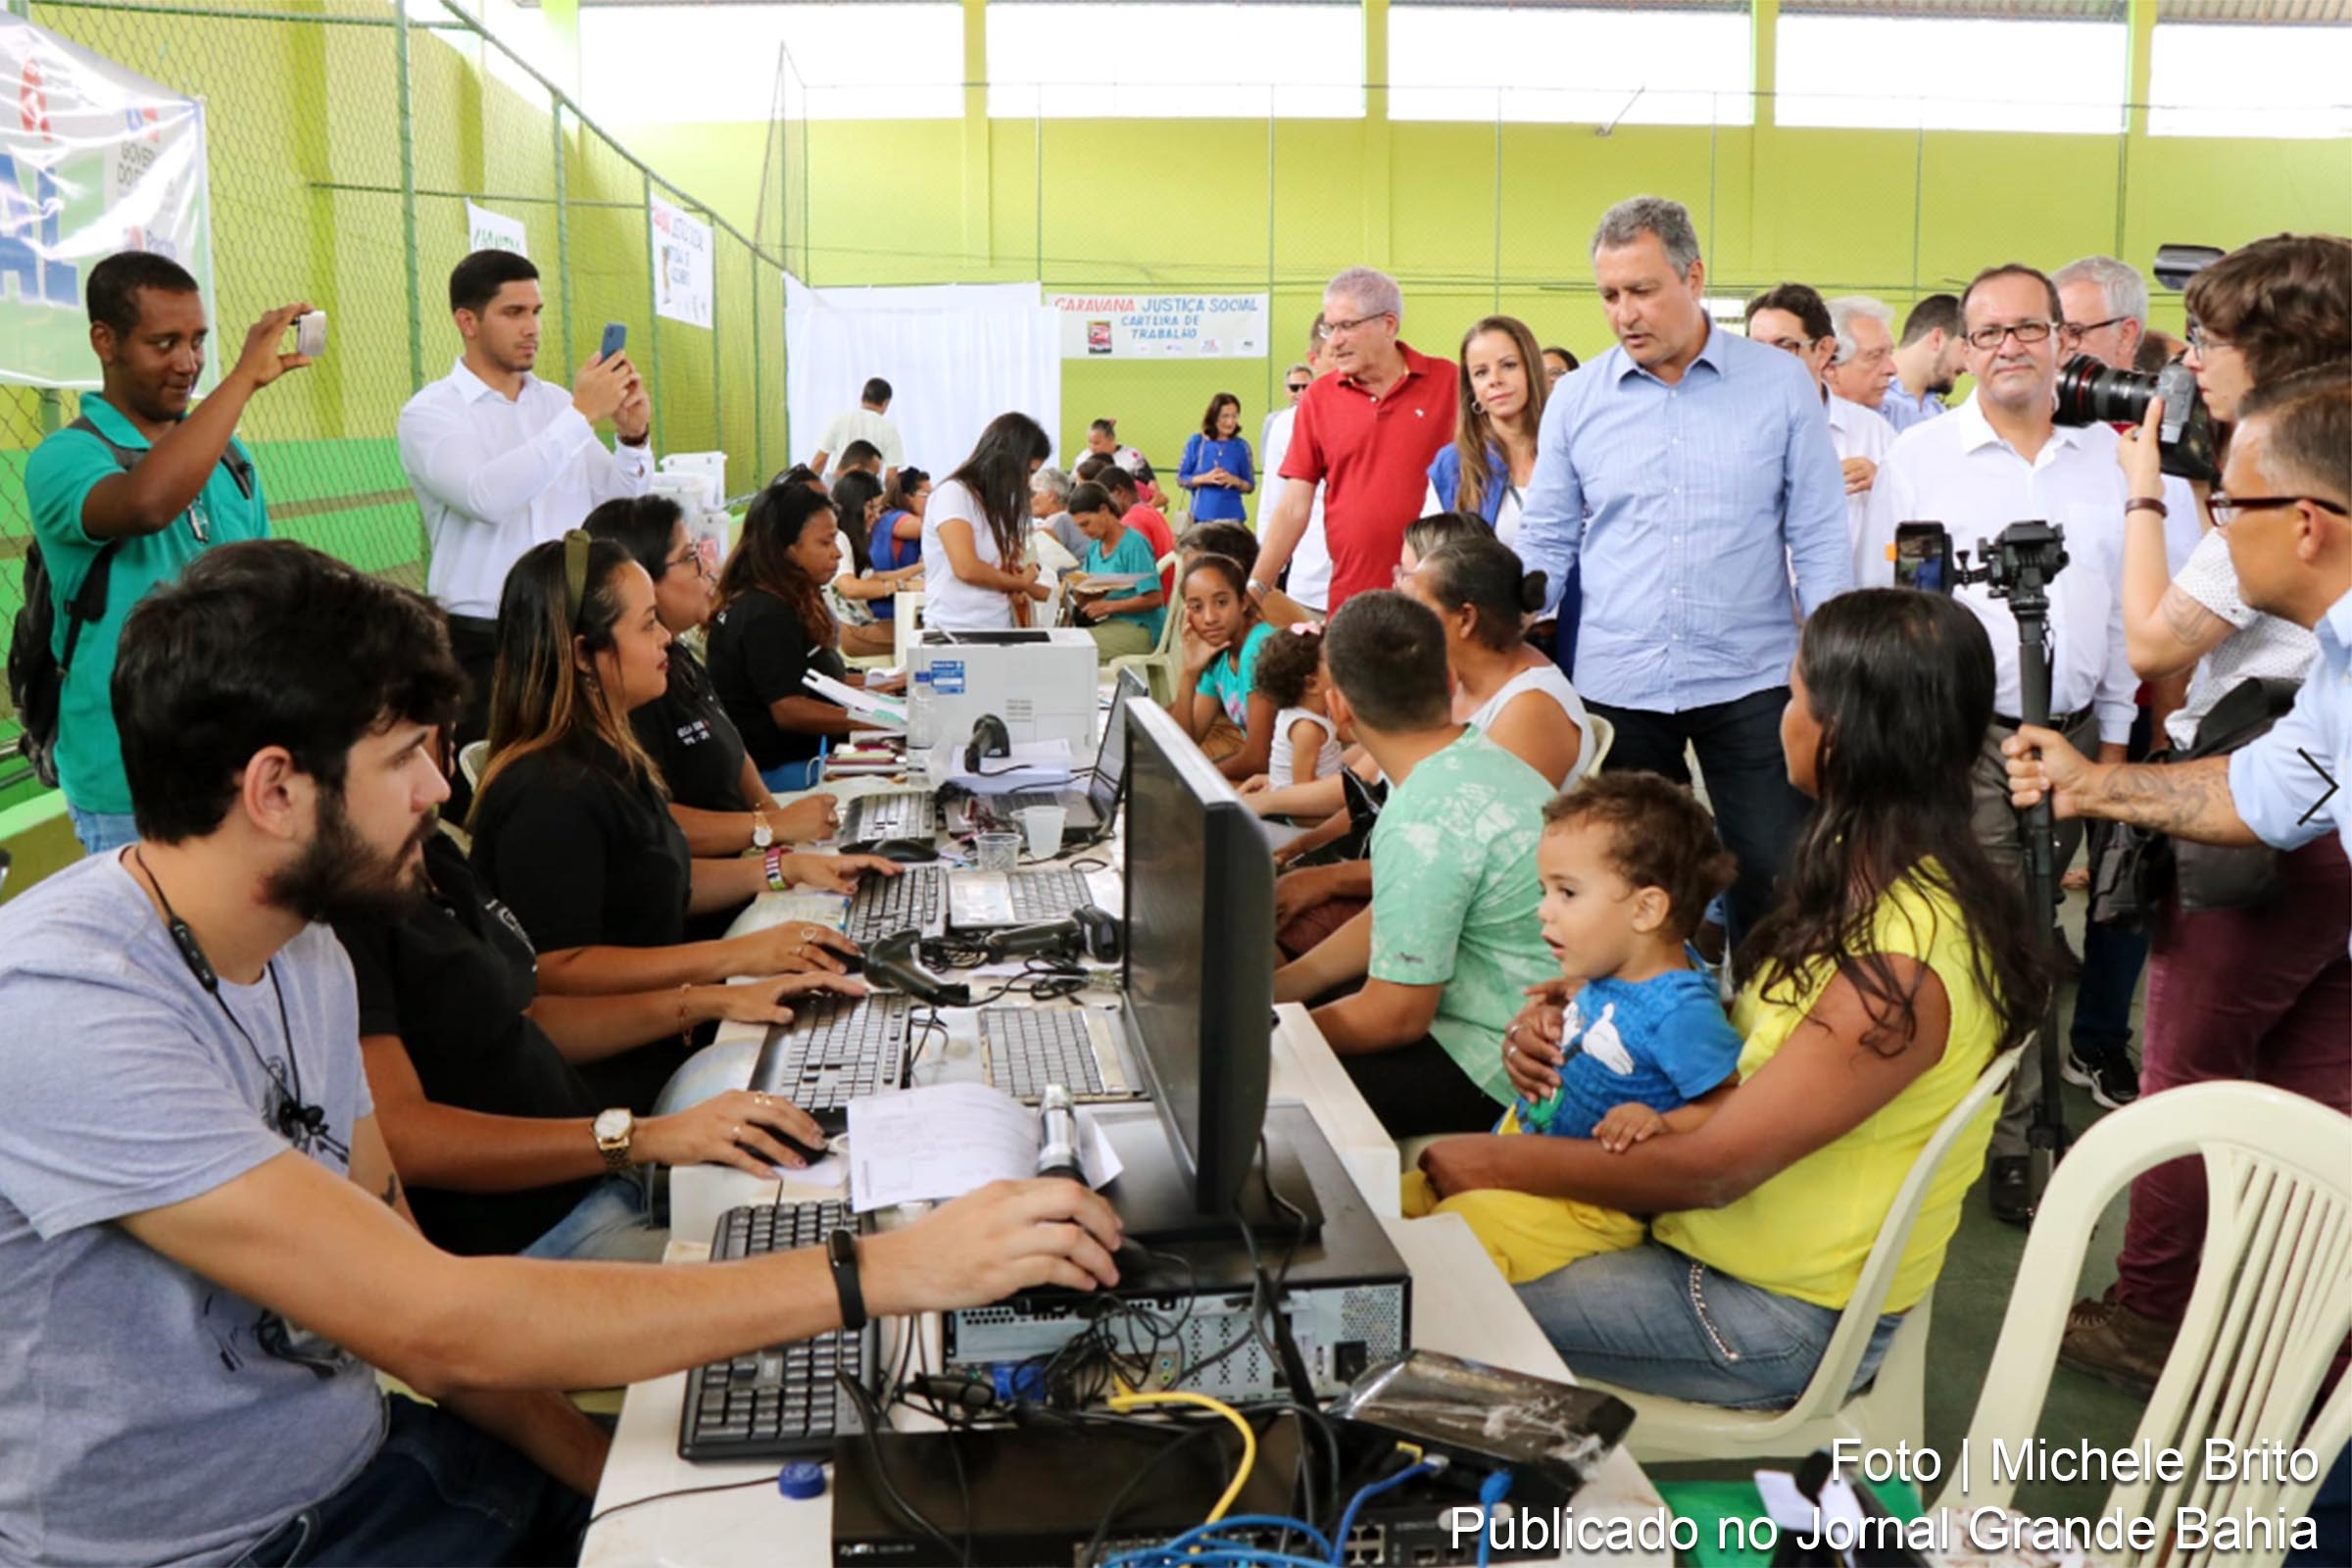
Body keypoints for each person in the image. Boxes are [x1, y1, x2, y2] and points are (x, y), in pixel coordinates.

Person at [0, 540, 1125, 1566]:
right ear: (275, 788)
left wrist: (615, 1495)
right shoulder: (66, 1001)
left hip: (375, 1466)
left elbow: (433, 1335)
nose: (443, 790)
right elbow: (434, 1317)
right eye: (405, 761)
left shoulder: (304, 952)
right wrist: (883, 1270)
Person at [1423, 590, 2052, 1409]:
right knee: (1424, 1251)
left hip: (1762, 1313)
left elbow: (1712, 1170)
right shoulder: (1880, 887)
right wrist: (1593, 1014)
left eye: (1793, 696)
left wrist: (1483, 1159)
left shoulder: (1901, 963)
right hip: (1714, 1253)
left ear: (1839, 736)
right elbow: (1739, 1065)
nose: (1782, 717)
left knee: (1413, 1292)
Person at [2005, 368, 2352, 1394]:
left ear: (2303, 524)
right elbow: (2273, 791)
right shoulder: (2333, 662)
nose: (2216, 529)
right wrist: (2096, 787)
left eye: (2230, 505)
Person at [1861, 263, 2140, 1220]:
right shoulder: (1923, 458)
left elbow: (2117, 612)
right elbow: (1885, 605)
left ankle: (2011, 1131)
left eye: (2031, 327)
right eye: (1991, 332)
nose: (2011, 346)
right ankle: (1986, 1137)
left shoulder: (2110, 459)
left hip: (2067, 736)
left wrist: (2109, 744)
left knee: (2028, 935)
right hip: (1958, 737)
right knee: (1974, 937)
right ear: (1964, 348)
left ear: (2065, 339)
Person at [1518, 196, 1850, 955]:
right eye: (1609, 296)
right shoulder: (1575, 399)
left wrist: (1831, 675)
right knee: (1634, 889)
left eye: (1642, 290)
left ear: (1694, 277)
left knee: (1775, 878)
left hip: (1753, 677)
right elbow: (1547, 538)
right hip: (1619, 681)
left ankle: (1770, 1049)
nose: (1624, 313)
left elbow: (1820, 537)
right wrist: (1504, 628)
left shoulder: (1778, 385)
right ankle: (1656, 1047)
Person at [469, 531, 878, 1113]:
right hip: (609, 1098)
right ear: (584, 654)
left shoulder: (609, 753)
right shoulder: (547, 792)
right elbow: (560, 969)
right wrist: (730, 963)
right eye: (646, 626)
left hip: (662, 1048)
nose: (666, 638)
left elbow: (665, 879)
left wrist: (785, 867)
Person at [335, 811, 858, 1262]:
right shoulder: (342, 918)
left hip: (606, 1177)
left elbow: (526, 1020)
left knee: (855, 1194)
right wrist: (640, 1137)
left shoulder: (433, 852)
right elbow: (399, 1138)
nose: (433, 777)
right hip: (536, 1237)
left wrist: (714, 999)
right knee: (828, 1276)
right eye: (402, 752)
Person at [1400, 773, 1743, 1283]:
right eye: (1546, 891)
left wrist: (1663, 1122)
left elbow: (1729, 1102)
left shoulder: (1681, 1011)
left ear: (1647, 909)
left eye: (1566, 892)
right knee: (1394, 1200)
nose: (1544, 910)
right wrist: (1546, 1019)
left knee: (1449, 1248)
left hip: (1587, 1207)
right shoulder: (1607, 970)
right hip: (1528, 1154)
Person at [24, 251, 308, 856]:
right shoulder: (66, 458)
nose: (188, 363)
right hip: (126, 782)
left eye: (198, 341)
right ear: (105, 341)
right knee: (152, 944)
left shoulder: (227, 455)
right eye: (164, 344)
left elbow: (262, 591)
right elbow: (144, 504)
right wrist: (240, 381)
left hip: (234, 764)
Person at [1274, 592, 1556, 1137]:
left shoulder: (1421, 815)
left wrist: (1277, 1033)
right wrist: (1286, 987)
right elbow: (1404, 917)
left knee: (1267, 1094)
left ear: (1339, 710)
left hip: (1501, 1071)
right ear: (1450, 683)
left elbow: (1396, 1016)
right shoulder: (1482, 760)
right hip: (1512, 1031)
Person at [399, 249, 650, 758]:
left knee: (586, 777)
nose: (531, 327)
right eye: (513, 313)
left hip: (572, 634)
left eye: (535, 311)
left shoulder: (556, 404)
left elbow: (618, 508)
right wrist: (580, 416)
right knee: (499, 784)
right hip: (486, 644)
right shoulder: (430, 414)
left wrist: (632, 437)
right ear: (466, 321)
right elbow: (485, 496)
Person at [584, 494, 841, 854]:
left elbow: (733, 750)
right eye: (690, 557)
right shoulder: (631, 690)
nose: (707, 566)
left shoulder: (676, 658)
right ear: (640, 579)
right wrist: (770, 829)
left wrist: (776, 824)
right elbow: (656, 826)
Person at [1250, 267, 1458, 613]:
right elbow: (1293, 507)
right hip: (1352, 604)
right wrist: (1255, 591)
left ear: (1389, 324)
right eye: (1330, 328)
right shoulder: (1318, 398)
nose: (1335, 340)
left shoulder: (1448, 382)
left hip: (1437, 607)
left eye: (1347, 326)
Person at [708, 485, 902, 793]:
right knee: (892, 783)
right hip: (776, 774)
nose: (837, 552)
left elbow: (819, 680)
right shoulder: (763, 612)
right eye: (825, 542)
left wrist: (886, 688)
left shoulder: (784, 598)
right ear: (786, 548)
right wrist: (875, 719)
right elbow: (790, 710)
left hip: (800, 759)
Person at [1424, 317, 1569, 643]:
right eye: (1481, 372)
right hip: (1493, 644)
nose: (1495, 380)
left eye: (1508, 365)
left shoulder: (1575, 450)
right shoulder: (1452, 466)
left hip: (1581, 637)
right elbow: (1430, 562)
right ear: (1472, 388)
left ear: (1531, 369)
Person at [1745, 283, 1892, 581]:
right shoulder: (1728, 431)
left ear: (1824, 350)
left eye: (1785, 346)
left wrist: (1885, 484)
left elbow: (1916, 518)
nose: (1766, 360)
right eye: (1756, 346)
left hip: (1849, 618)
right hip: (1759, 617)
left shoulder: (1872, 432)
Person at [924, 412, 1054, 631]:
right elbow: (966, 568)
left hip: (996, 626)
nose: (1026, 481)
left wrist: (1018, 573)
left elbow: (998, 566)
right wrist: (1019, 582)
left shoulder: (998, 504)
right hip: (954, 630)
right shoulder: (953, 494)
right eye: (1027, 471)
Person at [1175, 553, 1279, 779]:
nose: (1210, 617)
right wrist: (1189, 672)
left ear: (1243, 602)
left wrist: (1198, 778)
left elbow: (1259, 759)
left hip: (1293, 780)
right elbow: (1185, 745)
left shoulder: (1259, 647)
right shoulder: (1220, 652)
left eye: (1221, 602)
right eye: (1196, 607)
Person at [1260, 318, 1338, 614]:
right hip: (1311, 591)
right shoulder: (1287, 425)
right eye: (1336, 354)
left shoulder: (1383, 415)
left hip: (1378, 588)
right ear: (1314, 360)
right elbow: (1275, 508)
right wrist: (1264, 584)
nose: (1347, 365)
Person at [820, 468, 918, 657]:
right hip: (852, 632)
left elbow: (873, 578)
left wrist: (918, 570)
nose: (877, 515)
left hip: (860, 625)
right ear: (855, 506)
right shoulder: (839, 539)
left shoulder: (852, 539)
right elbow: (850, 588)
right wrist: (902, 585)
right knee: (924, 631)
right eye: (871, 508)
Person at [1066, 479, 1166, 662]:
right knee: (1068, 643)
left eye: (1086, 523)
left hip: (1142, 627)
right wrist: (1079, 596)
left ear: (1104, 510)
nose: (1083, 531)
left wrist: (1109, 606)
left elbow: (1154, 598)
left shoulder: (1133, 544)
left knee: (1076, 650)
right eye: (1078, 526)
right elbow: (1090, 591)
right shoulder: (1094, 548)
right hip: (1113, 623)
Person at [1249, 626, 1344, 790]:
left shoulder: (1317, 712)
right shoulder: (1306, 729)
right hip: (1303, 809)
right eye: (1333, 661)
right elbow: (1303, 790)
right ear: (1311, 684)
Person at [2052, 255, 2149, 377]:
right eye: (2054, 333)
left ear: (2125, 335)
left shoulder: (2163, 396)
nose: (2057, 349)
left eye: (2074, 332)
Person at [1882, 292, 1966, 432]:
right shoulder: (1871, 400)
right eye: (1966, 347)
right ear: (1937, 339)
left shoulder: (1941, 415)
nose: (1969, 365)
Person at [1179, 392, 1255, 524]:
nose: (1230, 422)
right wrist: (1205, 478)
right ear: (1214, 417)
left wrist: (1235, 481)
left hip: (1233, 520)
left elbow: (1250, 485)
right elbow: (1181, 478)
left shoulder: (1241, 447)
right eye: (1225, 416)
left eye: (1234, 416)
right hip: (1201, 519)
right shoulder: (1196, 442)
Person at [808, 375, 903, 481]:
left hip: (838, 488)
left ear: (862, 397)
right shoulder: (889, 429)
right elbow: (891, 475)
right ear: (885, 402)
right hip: (869, 492)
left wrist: (810, 492)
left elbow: (819, 461)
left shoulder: (841, 419)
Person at [1822, 295, 1898, 415]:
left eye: (1890, 354)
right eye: (1875, 356)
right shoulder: (1796, 425)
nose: (1892, 369)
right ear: (1830, 367)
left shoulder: (1909, 422)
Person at [872, 465, 932, 601]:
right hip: (889, 601)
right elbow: (933, 528)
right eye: (927, 495)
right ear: (908, 497)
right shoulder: (893, 518)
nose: (933, 500)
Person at [1028, 463, 1088, 560]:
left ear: (1051, 496)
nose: (1027, 500)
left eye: (1032, 494)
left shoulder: (1059, 519)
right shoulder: (1073, 515)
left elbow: (1032, 561)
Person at [1261, 360, 1313, 466]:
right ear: (1286, 390)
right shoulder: (1273, 420)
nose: (1301, 392)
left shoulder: (1321, 418)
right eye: (1294, 388)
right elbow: (1266, 457)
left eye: (1305, 387)